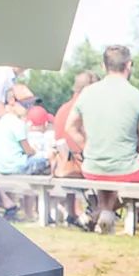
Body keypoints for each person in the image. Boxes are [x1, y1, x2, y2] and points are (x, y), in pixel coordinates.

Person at [66, 45, 139, 235]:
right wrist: (136, 152)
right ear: (128, 65)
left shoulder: (87, 93)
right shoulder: (138, 97)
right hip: (125, 169)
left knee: (105, 170)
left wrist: (86, 146)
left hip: (92, 167)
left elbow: (70, 127)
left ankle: (106, 212)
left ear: (104, 66)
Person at [53, 70, 99, 229]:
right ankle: (94, 213)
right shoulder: (84, 110)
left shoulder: (62, 109)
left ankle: (73, 213)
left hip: (61, 166)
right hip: (79, 165)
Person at [0, 86, 50, 177]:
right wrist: (35, 150)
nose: (29, 108)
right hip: (17, 167)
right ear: (12, 102)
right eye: (25, 105)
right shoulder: (18, 123)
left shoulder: (3, 120)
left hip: (0, 166)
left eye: (31, 105)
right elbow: (28, 151)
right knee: (47, 159)